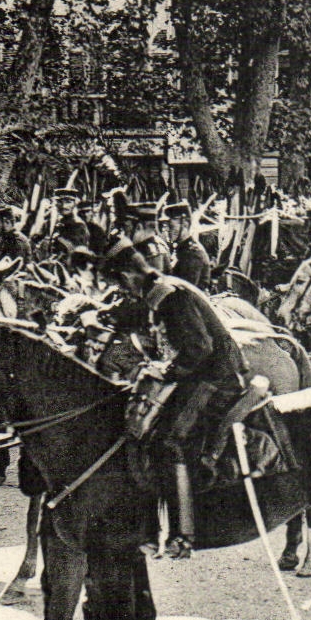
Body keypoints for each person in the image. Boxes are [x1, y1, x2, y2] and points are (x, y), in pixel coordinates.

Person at [98, 237, 249, 559]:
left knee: (169, 439)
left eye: (122, 287)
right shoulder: (165, 289)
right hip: (203, 374)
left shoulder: (170, 297)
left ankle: (184, 535)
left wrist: (166, 372)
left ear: (127, 278)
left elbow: (200, 349)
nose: (126, 294)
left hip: (217, 379)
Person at [164, 201, 212, 290]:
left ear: (185, 224)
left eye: (172, 227)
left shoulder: (193, 253)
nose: (169, 231)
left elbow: (186, 290)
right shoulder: (182, 249)